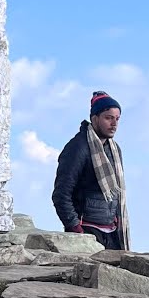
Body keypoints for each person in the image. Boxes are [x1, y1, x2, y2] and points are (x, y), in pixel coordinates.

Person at [51, 91, 130, 250]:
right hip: (86, 231)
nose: (114, 124)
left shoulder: (114, 149)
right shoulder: (78, 148)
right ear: (94, 118)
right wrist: (75, 228)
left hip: (112, 233)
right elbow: (61, 194)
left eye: (117, 119)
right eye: (108, 118)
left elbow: (116, 193)